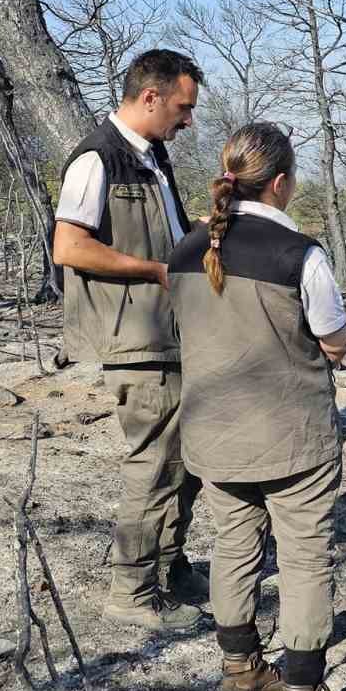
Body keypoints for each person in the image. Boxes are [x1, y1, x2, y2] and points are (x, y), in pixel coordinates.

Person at [167, 122, 346, 691]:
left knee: (233, 546)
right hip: (293, 435)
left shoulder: (185, 250)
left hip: (214, 436)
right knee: (303, 558)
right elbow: (333, 342)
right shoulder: (301, 254)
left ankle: (240, 670)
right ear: (280, 183)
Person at [52, 49, 207, 631]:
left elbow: (167, 235)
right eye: (182, 107)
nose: (187, 120)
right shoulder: (98, 161)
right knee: (155, 465)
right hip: (135, 340)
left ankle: (172, 568)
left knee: (186, 461)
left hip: (170, 333)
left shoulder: (153, 159)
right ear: (151, 97)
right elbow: (69, 248)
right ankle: (131, 592)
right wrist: (155, 270)